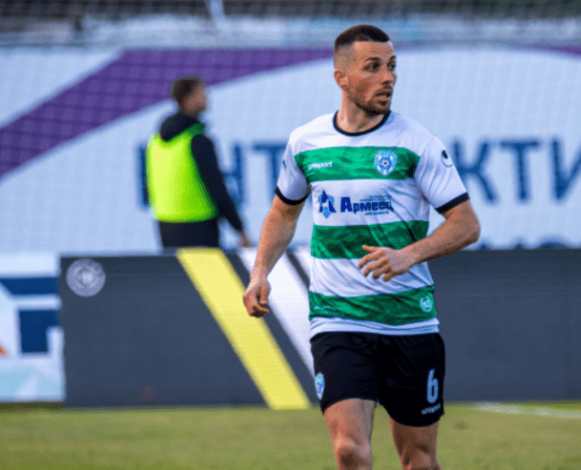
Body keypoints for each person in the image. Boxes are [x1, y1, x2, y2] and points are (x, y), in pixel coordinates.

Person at [242, 25, 480, 470]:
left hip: (409, 322)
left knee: (420, 460)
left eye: (392, 66)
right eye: (373, 67)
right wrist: (260, 273)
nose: (388, 77)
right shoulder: (306, 143)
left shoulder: (416, 143)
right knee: (349, 450)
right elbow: (283, 214)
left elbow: (466, 224)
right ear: (342, 77)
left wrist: (408, 255)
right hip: (337, 319)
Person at [145, 75, 250, 250]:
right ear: (188, 99)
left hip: (166, 224)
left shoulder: (155, 141)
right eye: (202, 93)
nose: (207, 98)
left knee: (175, 269)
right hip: (200, 225)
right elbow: (217, 188)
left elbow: (150, 185)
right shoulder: (197, 141)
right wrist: (239, 229)